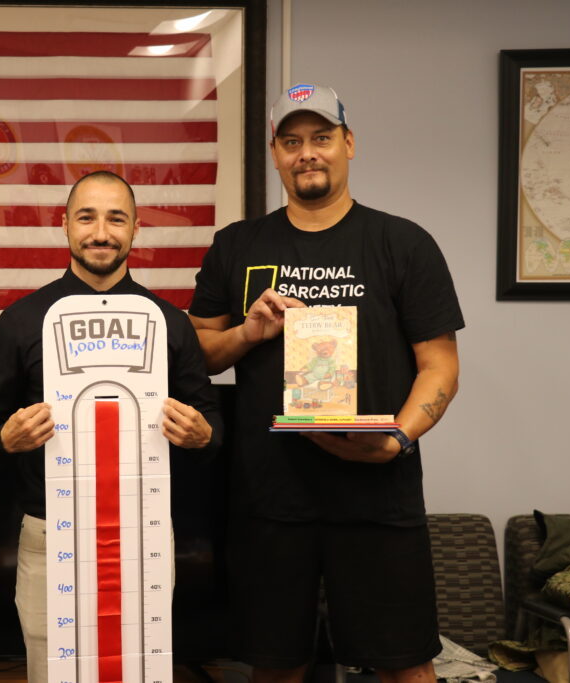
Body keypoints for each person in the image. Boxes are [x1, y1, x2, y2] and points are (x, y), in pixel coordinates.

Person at [188, 83, 464, 683]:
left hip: (378, 493)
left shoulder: (402, 243)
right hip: (270, 499)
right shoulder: (237, 245)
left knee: (405, 667)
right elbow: (199, 353)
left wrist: (398, 439)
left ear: (349, 144)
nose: (306, 153)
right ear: (275, 153)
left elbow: (440, 365)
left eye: (321, 138)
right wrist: (247, 334)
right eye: (291, 142)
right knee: (276, 667)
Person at [0, 170, 222, 683]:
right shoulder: (22, 320)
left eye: (115, 218)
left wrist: (203, 434)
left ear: (136, 228)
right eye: (86, 217)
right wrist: (3, 438)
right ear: (64, 225)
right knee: (52, 673)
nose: (101, 232)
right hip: (49, 533)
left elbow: (212, 425)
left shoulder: (169, 322)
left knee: (139, 672)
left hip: (143, 535)